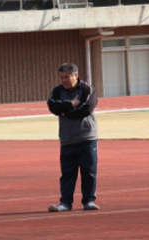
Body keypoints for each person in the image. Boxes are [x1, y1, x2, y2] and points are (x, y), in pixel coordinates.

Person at [47, 63, 99, 212]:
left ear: (75, 75)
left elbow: (87, 109)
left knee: (88, 171)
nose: (63, 80)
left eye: (67, 77)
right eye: (61, 77)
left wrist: (65, 111)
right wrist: (71, 104)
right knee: (67, 173)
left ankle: (89, 201)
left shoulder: (86, 89)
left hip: (86, 137)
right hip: (67, 139)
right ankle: (65, 203)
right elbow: (52, 107)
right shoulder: (57, 91)